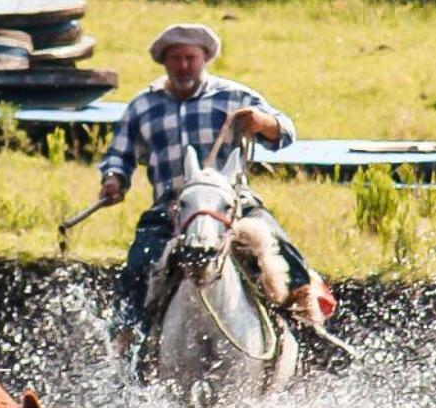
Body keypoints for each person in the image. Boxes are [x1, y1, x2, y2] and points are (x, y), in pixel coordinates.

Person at [98, 22, 317, 336]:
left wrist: (262, 122)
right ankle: (128, 337)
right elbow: (119, 155)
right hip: (172, 207)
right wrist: (114, 179)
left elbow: (285, 132)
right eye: (176, 59)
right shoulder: (142, 107)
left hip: (232, 206)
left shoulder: (233, 97)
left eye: (190, 58)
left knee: (281, 247)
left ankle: (306, 327)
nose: (184, 66)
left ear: (204, 59)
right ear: (164, 61)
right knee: (139, 261)